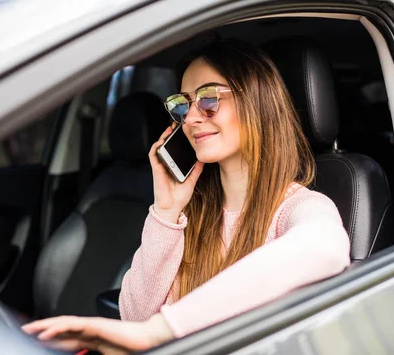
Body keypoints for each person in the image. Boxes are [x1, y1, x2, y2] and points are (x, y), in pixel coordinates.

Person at [22, 39, 351, 354]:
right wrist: (165, 211)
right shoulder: (190, 215)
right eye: (183, 104)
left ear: (257, 100)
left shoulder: (299, 208)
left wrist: (160, 331)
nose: (192, 118)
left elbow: (326, 247)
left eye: (209, 99)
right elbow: (134, 319)